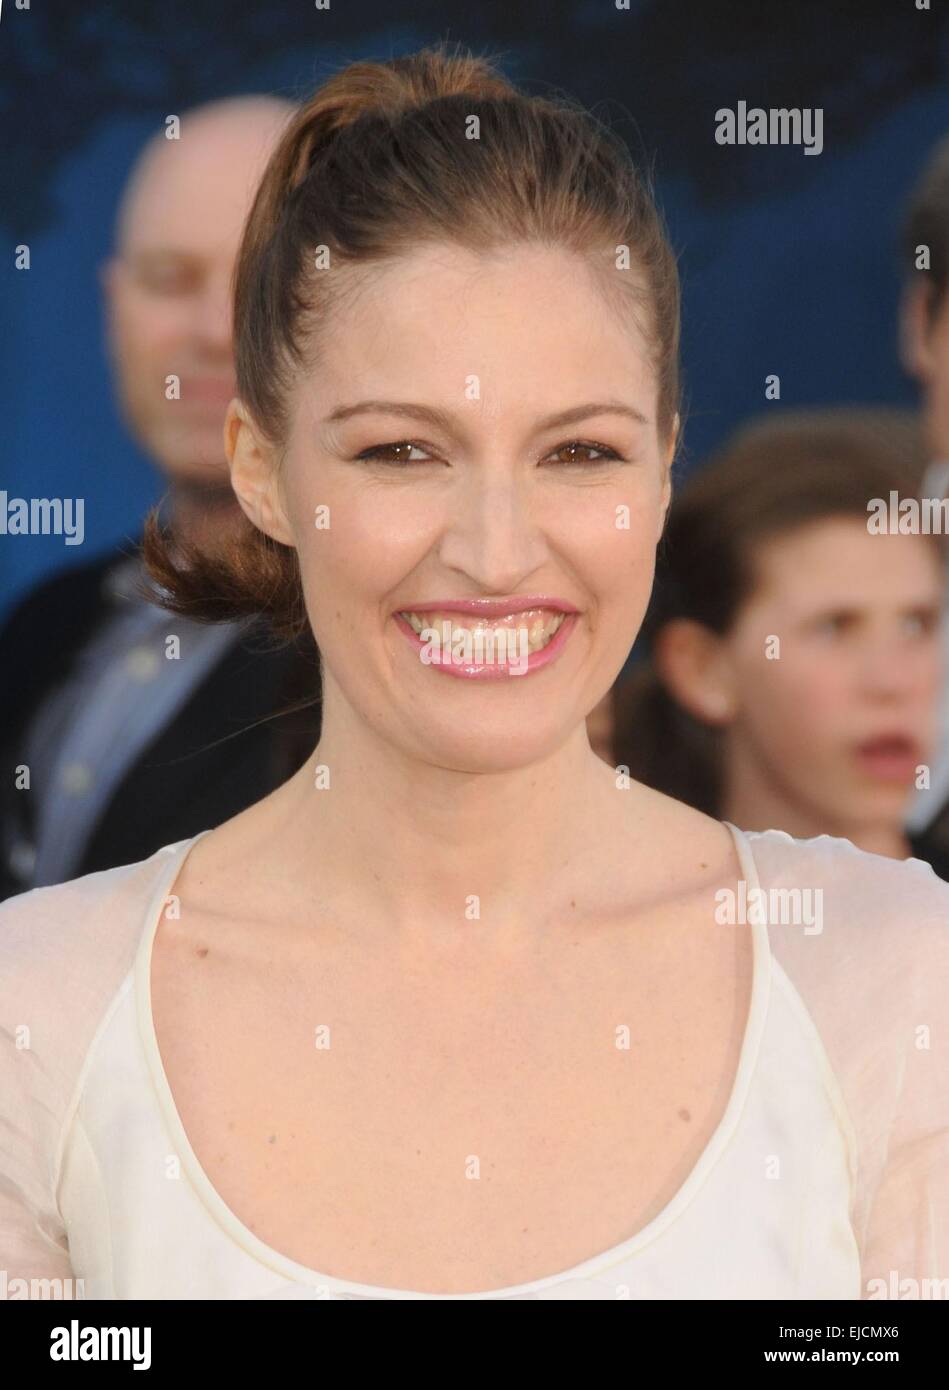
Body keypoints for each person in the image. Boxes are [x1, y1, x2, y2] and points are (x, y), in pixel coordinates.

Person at [1, 42, 947, 1302]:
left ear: (664, 466)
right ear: (260, 468)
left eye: (579, 453)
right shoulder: (39, 1010)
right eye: (401, 451)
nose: (496, 553)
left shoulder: (892, 979)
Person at [0, 96, 320, 901]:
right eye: (170, 279)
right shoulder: (50, 621)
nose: (214, 330)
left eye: (259, 282)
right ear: (115, 309)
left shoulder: (385, 659)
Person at [611, 409, 949, 877]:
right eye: (834, 627)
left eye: (917, 624)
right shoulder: (617, 930)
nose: (892, 681)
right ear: (702, 669)